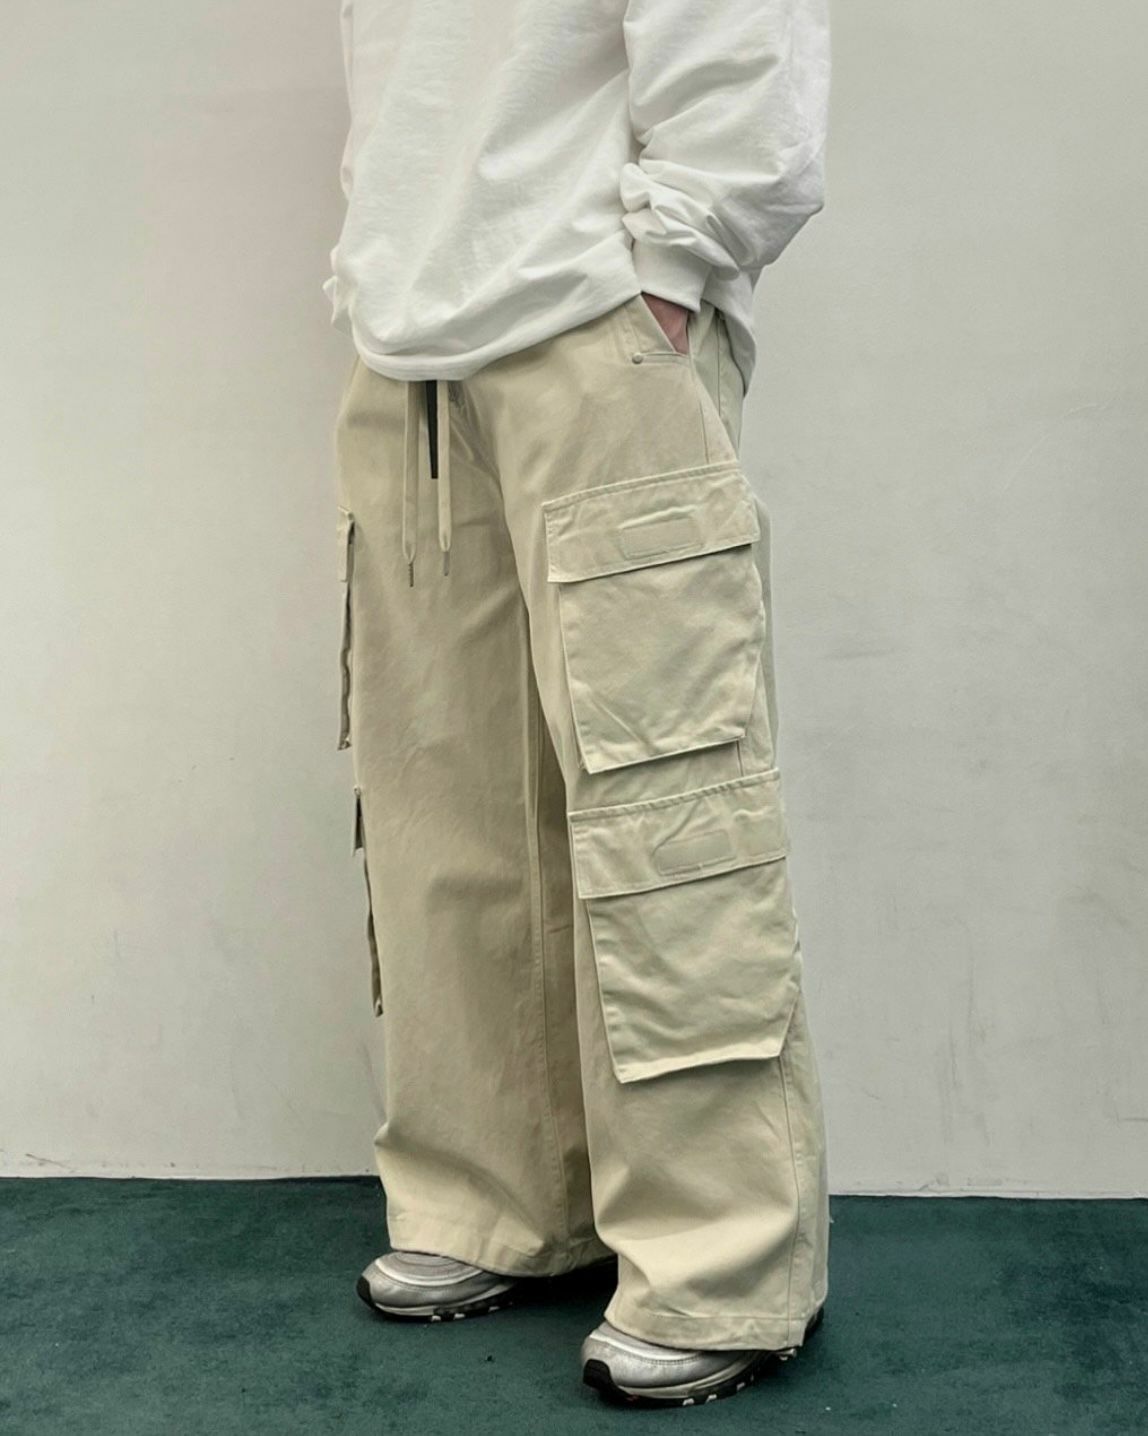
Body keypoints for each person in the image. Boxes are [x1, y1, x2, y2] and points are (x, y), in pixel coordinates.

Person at [325, 0, 831, 1408]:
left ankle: (720, 1265)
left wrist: (673, 272)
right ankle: (493, 1197)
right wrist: (373, 263)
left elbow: (742, 43)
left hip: (596, 328)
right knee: (442, 805)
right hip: (411, 356)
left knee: (668, 806)